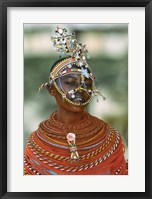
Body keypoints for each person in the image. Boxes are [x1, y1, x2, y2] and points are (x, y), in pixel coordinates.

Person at [24, 27, 128, 175]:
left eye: (86, 84)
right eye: (71, 83)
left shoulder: (111, 139)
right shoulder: (36, 144)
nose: (80, 89)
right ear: (51, 89)